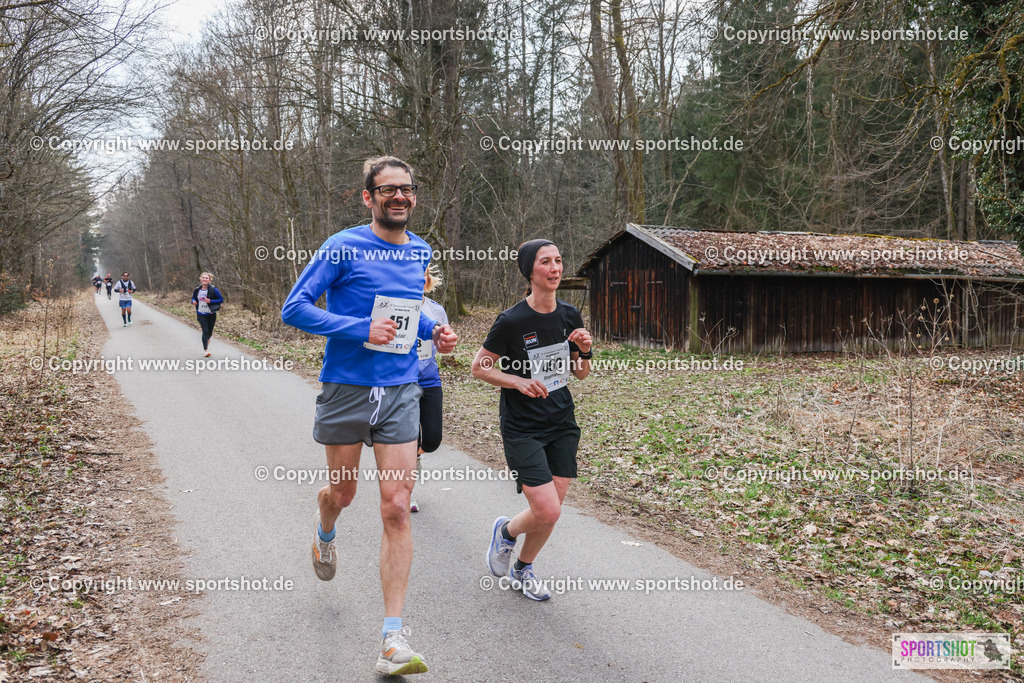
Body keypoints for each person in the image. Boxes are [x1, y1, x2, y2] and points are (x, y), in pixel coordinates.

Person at [281, 155, 457, 676]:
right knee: (344, 493)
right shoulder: (343, 246)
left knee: (397, 507)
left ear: (414, 196)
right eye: (388, 190)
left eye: (406, 189)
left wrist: (434, 335)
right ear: (368, 197)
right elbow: (295, 308)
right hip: (347, 388)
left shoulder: (421, 250)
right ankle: (325, 526)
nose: (399, 197)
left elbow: (407, 317)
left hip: (402, 388)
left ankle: (392, 639)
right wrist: (360, 329)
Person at [473, 239, 592, 601]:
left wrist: (584, 350)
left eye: (558, 261)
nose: (555, 268)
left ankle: (523, 568)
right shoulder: (512, 320)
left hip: (562, 422)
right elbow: (480, 367)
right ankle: (506, 532)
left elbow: (582, 373)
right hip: (523, 426)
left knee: (550, 514)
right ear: (530, 271)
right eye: (545, 262)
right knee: (547, 509)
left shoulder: (570, 314)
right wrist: (519, 381)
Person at [410, 265, 448, 513]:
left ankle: (415, 455)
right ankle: (407, 492)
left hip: (429, 380)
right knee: (406, 438)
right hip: (401, 382)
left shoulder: (436, 310)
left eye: (423, 277)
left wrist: (445, 343)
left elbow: (444, 346)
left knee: (432, 439)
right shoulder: (397, 306)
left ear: (428, 281)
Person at [190, 272, 223, 357]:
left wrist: (211, 301)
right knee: (205, 330)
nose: (204, 279)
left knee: (209, 333)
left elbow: (221, 299)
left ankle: (207, 339)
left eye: (206, 278)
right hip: (201, 313)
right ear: (200, 279)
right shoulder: (197, 289)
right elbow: (193, 298)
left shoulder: (213, 289)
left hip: (211, 313)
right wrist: (193, 301)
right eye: (203, 278)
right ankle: (206, 350)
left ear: (209, 280)